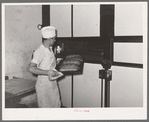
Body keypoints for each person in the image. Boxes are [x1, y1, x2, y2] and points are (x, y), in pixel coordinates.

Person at [29, 26, 61, 108]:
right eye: (54, 38)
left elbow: (46, 63)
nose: (55, 40)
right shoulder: (39, 51)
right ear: (50, 39)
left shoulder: (50, 50)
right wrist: (48, 72)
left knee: (56, 107)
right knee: (46, 111)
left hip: (52, 83)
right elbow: (31, 68)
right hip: (44, 86)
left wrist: (56, 62)